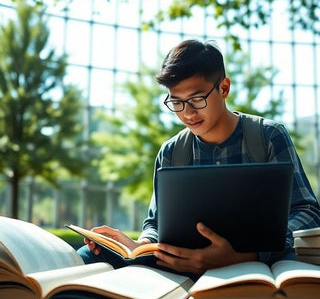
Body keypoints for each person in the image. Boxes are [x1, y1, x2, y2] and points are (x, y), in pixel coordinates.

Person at [77, 39, 320, 277]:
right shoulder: (171, 151)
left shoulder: (268, 136)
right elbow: (155, 223)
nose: (187, 113)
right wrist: (138, 246)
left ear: (224, 88)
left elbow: (306, 210)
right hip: (181, 267)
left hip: (253, 267)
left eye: (196, 100)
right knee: (88, 259)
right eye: (176, 102)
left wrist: (250, 253)